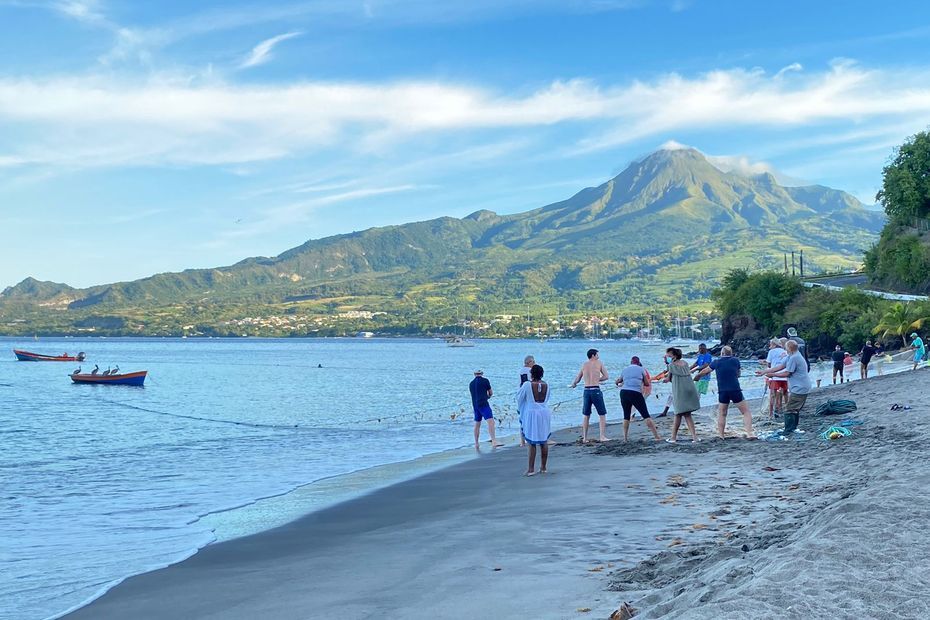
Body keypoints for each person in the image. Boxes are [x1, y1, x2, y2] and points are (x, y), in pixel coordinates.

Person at [695, 346, 756, 439]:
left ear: (722, 353)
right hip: (735, 389)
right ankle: (749, 433)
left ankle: (721, 435)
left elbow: (705, 371)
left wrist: (698, 376)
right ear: (731, 353)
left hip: (722, 391)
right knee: (745, 412)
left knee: (722, 413)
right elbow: (738, 374)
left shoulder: (716, 362)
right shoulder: (735, 360)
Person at [758, 340, 811, 437]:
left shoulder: (794, 358)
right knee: (794, 409)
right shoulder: (791, 356)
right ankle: (793, 428)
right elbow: (780, 366)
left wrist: (773, 375)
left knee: (789, 409)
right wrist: (764, 372)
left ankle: (789, 429)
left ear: (789, 348)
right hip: (801, 386)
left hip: (800, 387)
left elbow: (787, 373)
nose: (784, 349)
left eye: (785, 347)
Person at [615, 356, 662, 442]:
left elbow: (618, 381)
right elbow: (647, 383)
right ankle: (656, 436)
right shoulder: (641, 370)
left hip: (624, 392)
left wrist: (618, 383)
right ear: (638, 362)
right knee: (645, 415)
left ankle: (625, 438)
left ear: (631, 362)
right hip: (635, 393)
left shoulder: (625, 369)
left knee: (626, 415)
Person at [516, 364, 552, 476]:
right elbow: (547, 399)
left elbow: (519, 398)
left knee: (531, 441)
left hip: (532, 413)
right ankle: (543, 467)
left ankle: (531, 469)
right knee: (543, 440)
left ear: (531, 374)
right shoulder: (547, 385)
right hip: (544, 412)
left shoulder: (527, 385)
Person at [570, 349, 610, 443]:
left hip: (586, 390)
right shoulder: (599, 363)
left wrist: (574, 384)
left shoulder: (584, 364)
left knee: (586, 415)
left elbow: (578, 378)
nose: (598, 356)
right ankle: (602, 436)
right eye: (597, 354)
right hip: (595, 389)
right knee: (602, 414)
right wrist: (598, 379)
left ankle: (585, 438)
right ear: (593, 355)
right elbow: (606, 376)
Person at [664, 348, 700, 443]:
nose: (667, 357)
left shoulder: (671, 365)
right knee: (687, 414)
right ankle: (694, 437)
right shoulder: (685, 363)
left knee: (678, 413)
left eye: (668, 356)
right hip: (690, 388)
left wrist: (664, 378)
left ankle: (673, 438)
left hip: (680, 391)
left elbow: (669, 379)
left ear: (674, 356)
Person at [469, 370, 502, 449]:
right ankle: (494, 441)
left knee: (477, 424)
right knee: (491, 422)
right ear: (482, 374)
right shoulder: (485, 381)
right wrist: (488, 397)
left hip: (475, 405)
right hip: (484, 404)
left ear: (474, 374)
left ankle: (476, 443)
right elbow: (490, 392)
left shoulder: (471, 383)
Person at [763, 338, 789, 417]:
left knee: (772, 395)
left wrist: (768, 372)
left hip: (775, 376)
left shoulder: (771, 352)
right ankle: (787, 409)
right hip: (784, 376)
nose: (769, 347)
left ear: (774, 344)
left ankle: (771, 413)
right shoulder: (785, 352)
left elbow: (769, 364)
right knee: (785, 393)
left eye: (770, 345)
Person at [518, 355, 535, 447]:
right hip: (528, 396)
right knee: (529, 417)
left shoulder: (520, 370)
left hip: (520, 395)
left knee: (522, 417)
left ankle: (522, 441)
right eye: (533, 362)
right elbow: (530, 382)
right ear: (528, 362)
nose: (534, 363)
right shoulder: (529, 371)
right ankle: (530, 438)